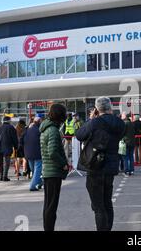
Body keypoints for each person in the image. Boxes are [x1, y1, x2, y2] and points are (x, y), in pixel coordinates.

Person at [75, 96, 125, 231]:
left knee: (98, 206)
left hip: (95, 165)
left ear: (97, 109)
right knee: (107, 201)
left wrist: (91, 119)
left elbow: (79, 135)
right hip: (111, 165)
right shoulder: (120, 123)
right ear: (110, 107)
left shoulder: (94, 122)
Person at [40, 103, 69, 231]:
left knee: (48, 205)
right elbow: (52, 152)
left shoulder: (47, 128)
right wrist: (63, 164)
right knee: (51, 206)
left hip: (48, 171)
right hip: (53, 172)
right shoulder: (53, 130)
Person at [22, 116, 43, 191]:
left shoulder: (27, 129)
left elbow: (21, 140)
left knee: (34, 170)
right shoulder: (39, 130)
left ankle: (40, 182)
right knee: (37, 170)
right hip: (37, 152)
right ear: (39, 122)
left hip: (28, 153)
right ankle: (33, 186)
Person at [0, 116, 18, 182]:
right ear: (9, 121)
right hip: (7, 147)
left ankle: (1, 176)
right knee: (6, 162)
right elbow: (14, 138)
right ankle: (5, 176)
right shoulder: (11, 128)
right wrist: (16, 146)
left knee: (0, 162)